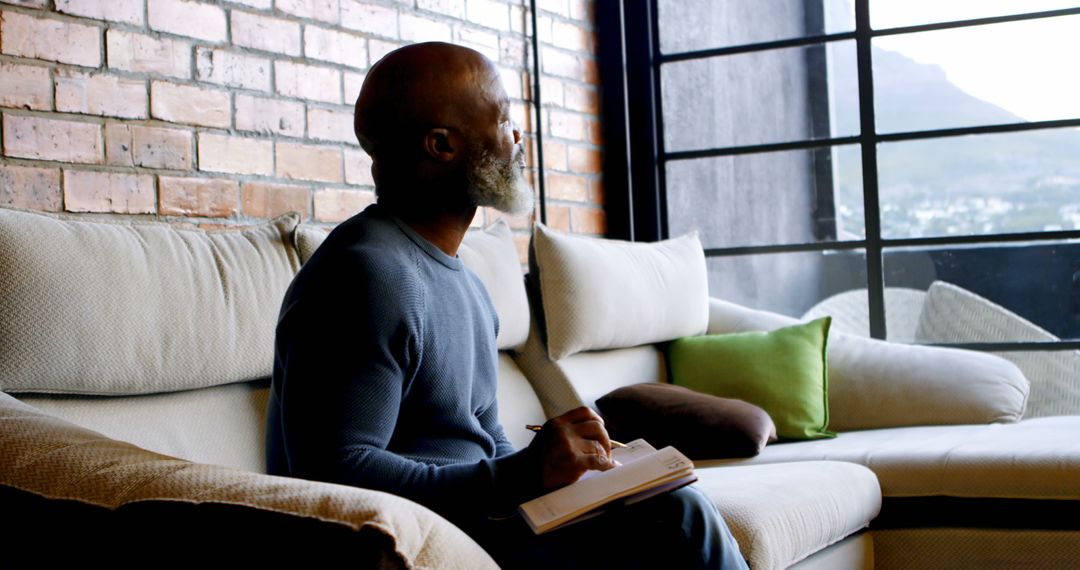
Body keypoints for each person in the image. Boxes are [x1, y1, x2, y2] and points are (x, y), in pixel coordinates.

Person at [265, 41, 748, 569]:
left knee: (662, 497)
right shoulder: (363, 275)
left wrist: (577, 473)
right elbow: (335, 473)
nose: (517, 137)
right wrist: (522, 476)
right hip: (428, 544)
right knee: (678, 516)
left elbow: (482, 440)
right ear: (441, 145)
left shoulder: (467, 283)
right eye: (502, 120)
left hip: (490, 526)